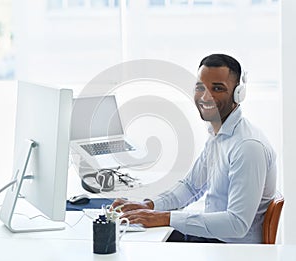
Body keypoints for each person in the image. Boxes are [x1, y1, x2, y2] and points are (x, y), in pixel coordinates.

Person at [112, 54, 277, 243]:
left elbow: (237, 224)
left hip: (229, 249)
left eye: (217, 88)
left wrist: (165, 217)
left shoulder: (247, 147)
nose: (206, 97)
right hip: (215, 240)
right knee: (136, 237)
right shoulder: (219, 136)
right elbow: (191, 187)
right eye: (200, 87)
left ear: (238, 94)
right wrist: (148, 205)